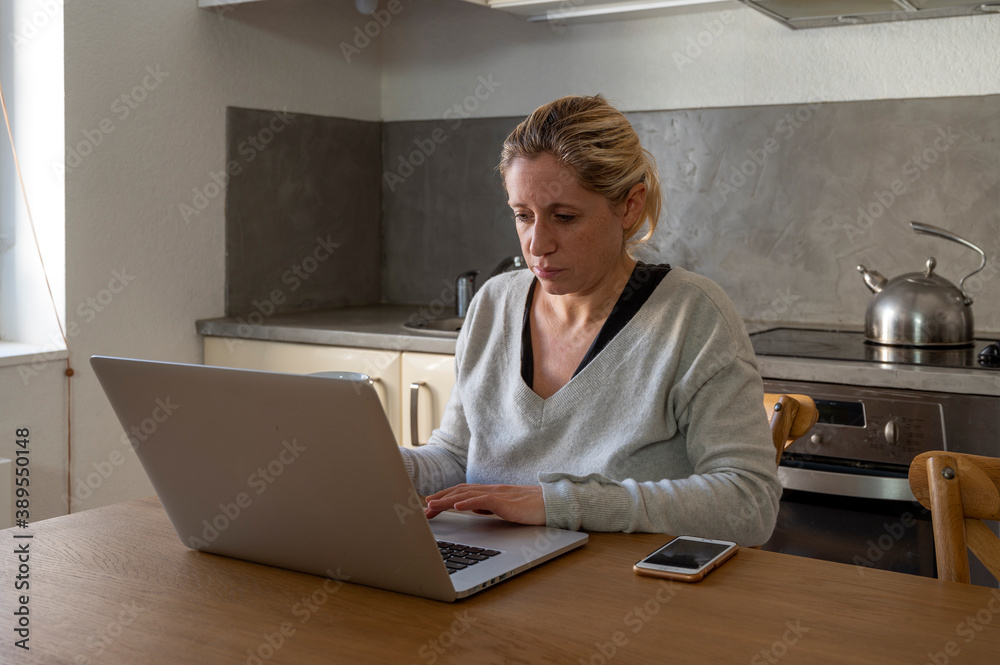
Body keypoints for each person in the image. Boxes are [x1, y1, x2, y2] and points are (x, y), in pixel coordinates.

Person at [398, 95, 781, 546]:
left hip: (622, 596)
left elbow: (748, 501)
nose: (537, 244)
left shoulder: (692, 316)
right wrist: (383, 464)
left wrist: (558, 504)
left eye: (564, 217)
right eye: (523, 216)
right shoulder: (493, 305)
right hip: (492, 576)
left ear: (630, 207)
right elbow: (457, 457)